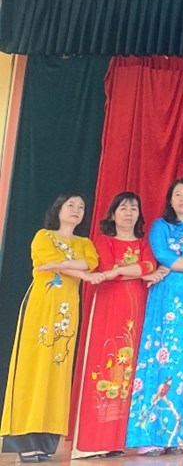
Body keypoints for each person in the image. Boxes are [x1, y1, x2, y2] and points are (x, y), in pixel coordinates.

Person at [2, 193, 101, 463]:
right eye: (71, 205)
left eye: (81, 207)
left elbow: (90, 262)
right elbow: (50, 262)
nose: (76, 210)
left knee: (57, 373)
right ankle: (23, 439)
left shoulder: (84, 243)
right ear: (58, 209)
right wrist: (79, 272)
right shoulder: (43, 236)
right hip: (41, 308)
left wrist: (62, 265)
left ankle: (45, 442)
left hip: (67, 313)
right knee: (32, 370)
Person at [126, 178, 183, 456]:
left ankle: (178, 436)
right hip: (163, 296)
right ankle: (148, 435)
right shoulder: (160, 227)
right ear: (170, 200)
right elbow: (162, 254)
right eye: (177, 194)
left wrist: (179, 263)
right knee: (158, 354)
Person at [69, 192, 161, 459]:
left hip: (136, 308)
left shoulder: (143, 243)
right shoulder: (104, 241)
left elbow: (149, 264)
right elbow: (109, 268)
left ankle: (118, 440)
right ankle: (93, 441)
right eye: (123, 208)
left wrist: (121, 270)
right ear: (112, 214)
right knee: (105, 363)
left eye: (133, 208)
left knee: (129, 370)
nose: (128, 213)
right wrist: (132, 271)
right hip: (108, 307)